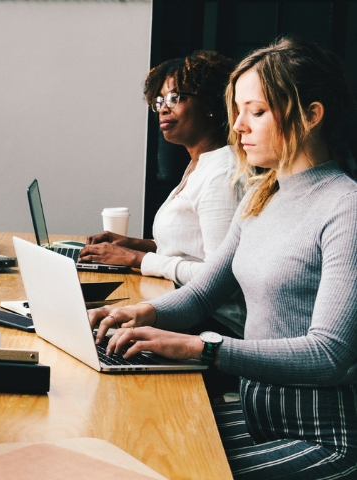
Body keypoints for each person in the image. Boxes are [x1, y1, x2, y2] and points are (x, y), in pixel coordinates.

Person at [90, 37, 357, 478]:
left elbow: (330, 354)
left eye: (257, 111)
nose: (238, 126)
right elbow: (199, 296)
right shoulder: (261, 194)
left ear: (311, 115)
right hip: (259, 420)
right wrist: (137, 312)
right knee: (127, 447)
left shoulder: (344, 206)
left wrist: (203, 348)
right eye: (237, 110)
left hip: (321, 437)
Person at [79, 51, 247, 337]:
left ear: (209, 102)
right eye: (159, 100)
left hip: (214, 324)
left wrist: (136, 258)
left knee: (92, 329)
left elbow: (218, 280)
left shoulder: (222, 172)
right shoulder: (199, 164)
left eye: (175, 97)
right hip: (184, 305)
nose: (163, 109)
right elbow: (191, 247)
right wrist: (137, 244)